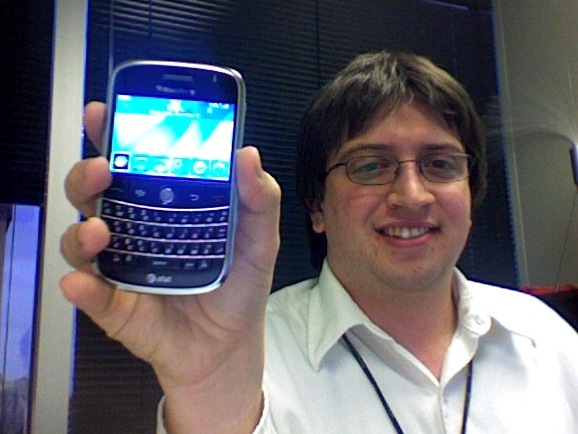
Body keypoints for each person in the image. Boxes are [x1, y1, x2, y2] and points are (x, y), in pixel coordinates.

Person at [60, 51, 578, 433]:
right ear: (316, 206)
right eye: (370, 166)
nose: (412, 195)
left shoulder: (548, 339)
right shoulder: (248, 355)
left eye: (440, 164)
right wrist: (206, 389)